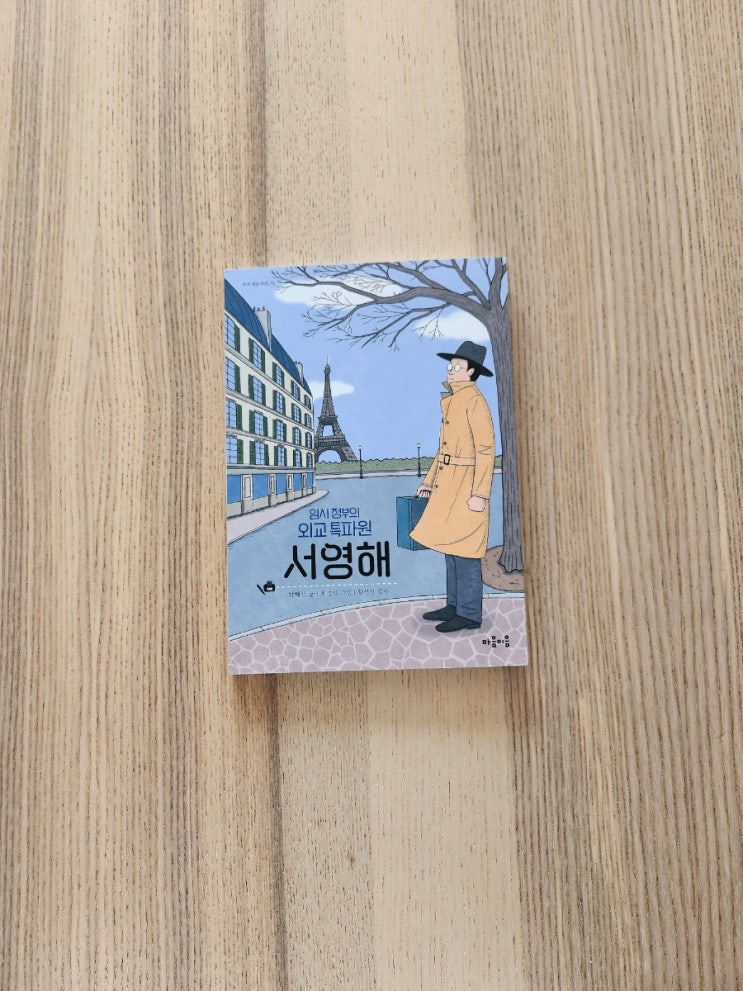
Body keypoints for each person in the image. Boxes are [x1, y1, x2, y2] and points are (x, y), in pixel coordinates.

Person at [410, 341, 495, 632]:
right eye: (450, 365)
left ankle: (469, 613)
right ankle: (455, 604)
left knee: (467, 549)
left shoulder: (474, 401)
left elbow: (486, 450)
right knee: (451, 545)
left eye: (457, 366)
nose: (450, 369)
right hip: (448, 484)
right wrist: (428, 482)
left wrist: (480, 494)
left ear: (471, 371)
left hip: (467, 485)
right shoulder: (454, 400)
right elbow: (442, 449)